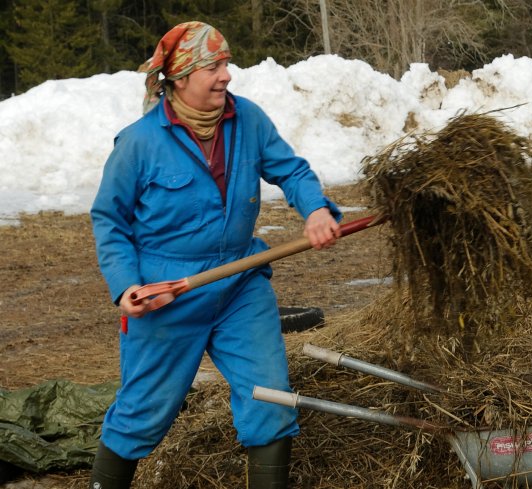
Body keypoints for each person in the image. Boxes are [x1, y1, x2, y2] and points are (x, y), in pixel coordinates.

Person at [88, 21, 342, 489]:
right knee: (142, 412)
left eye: (226, 63)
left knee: (270, 399)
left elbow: (292, 170)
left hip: (239, 284)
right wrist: (126, 286)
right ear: (180, 78)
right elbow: (110, 221)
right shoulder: (140, 142)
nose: (226, 75)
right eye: (213, 66)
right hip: (167, 292)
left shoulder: (248, 120)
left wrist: (316, 210)